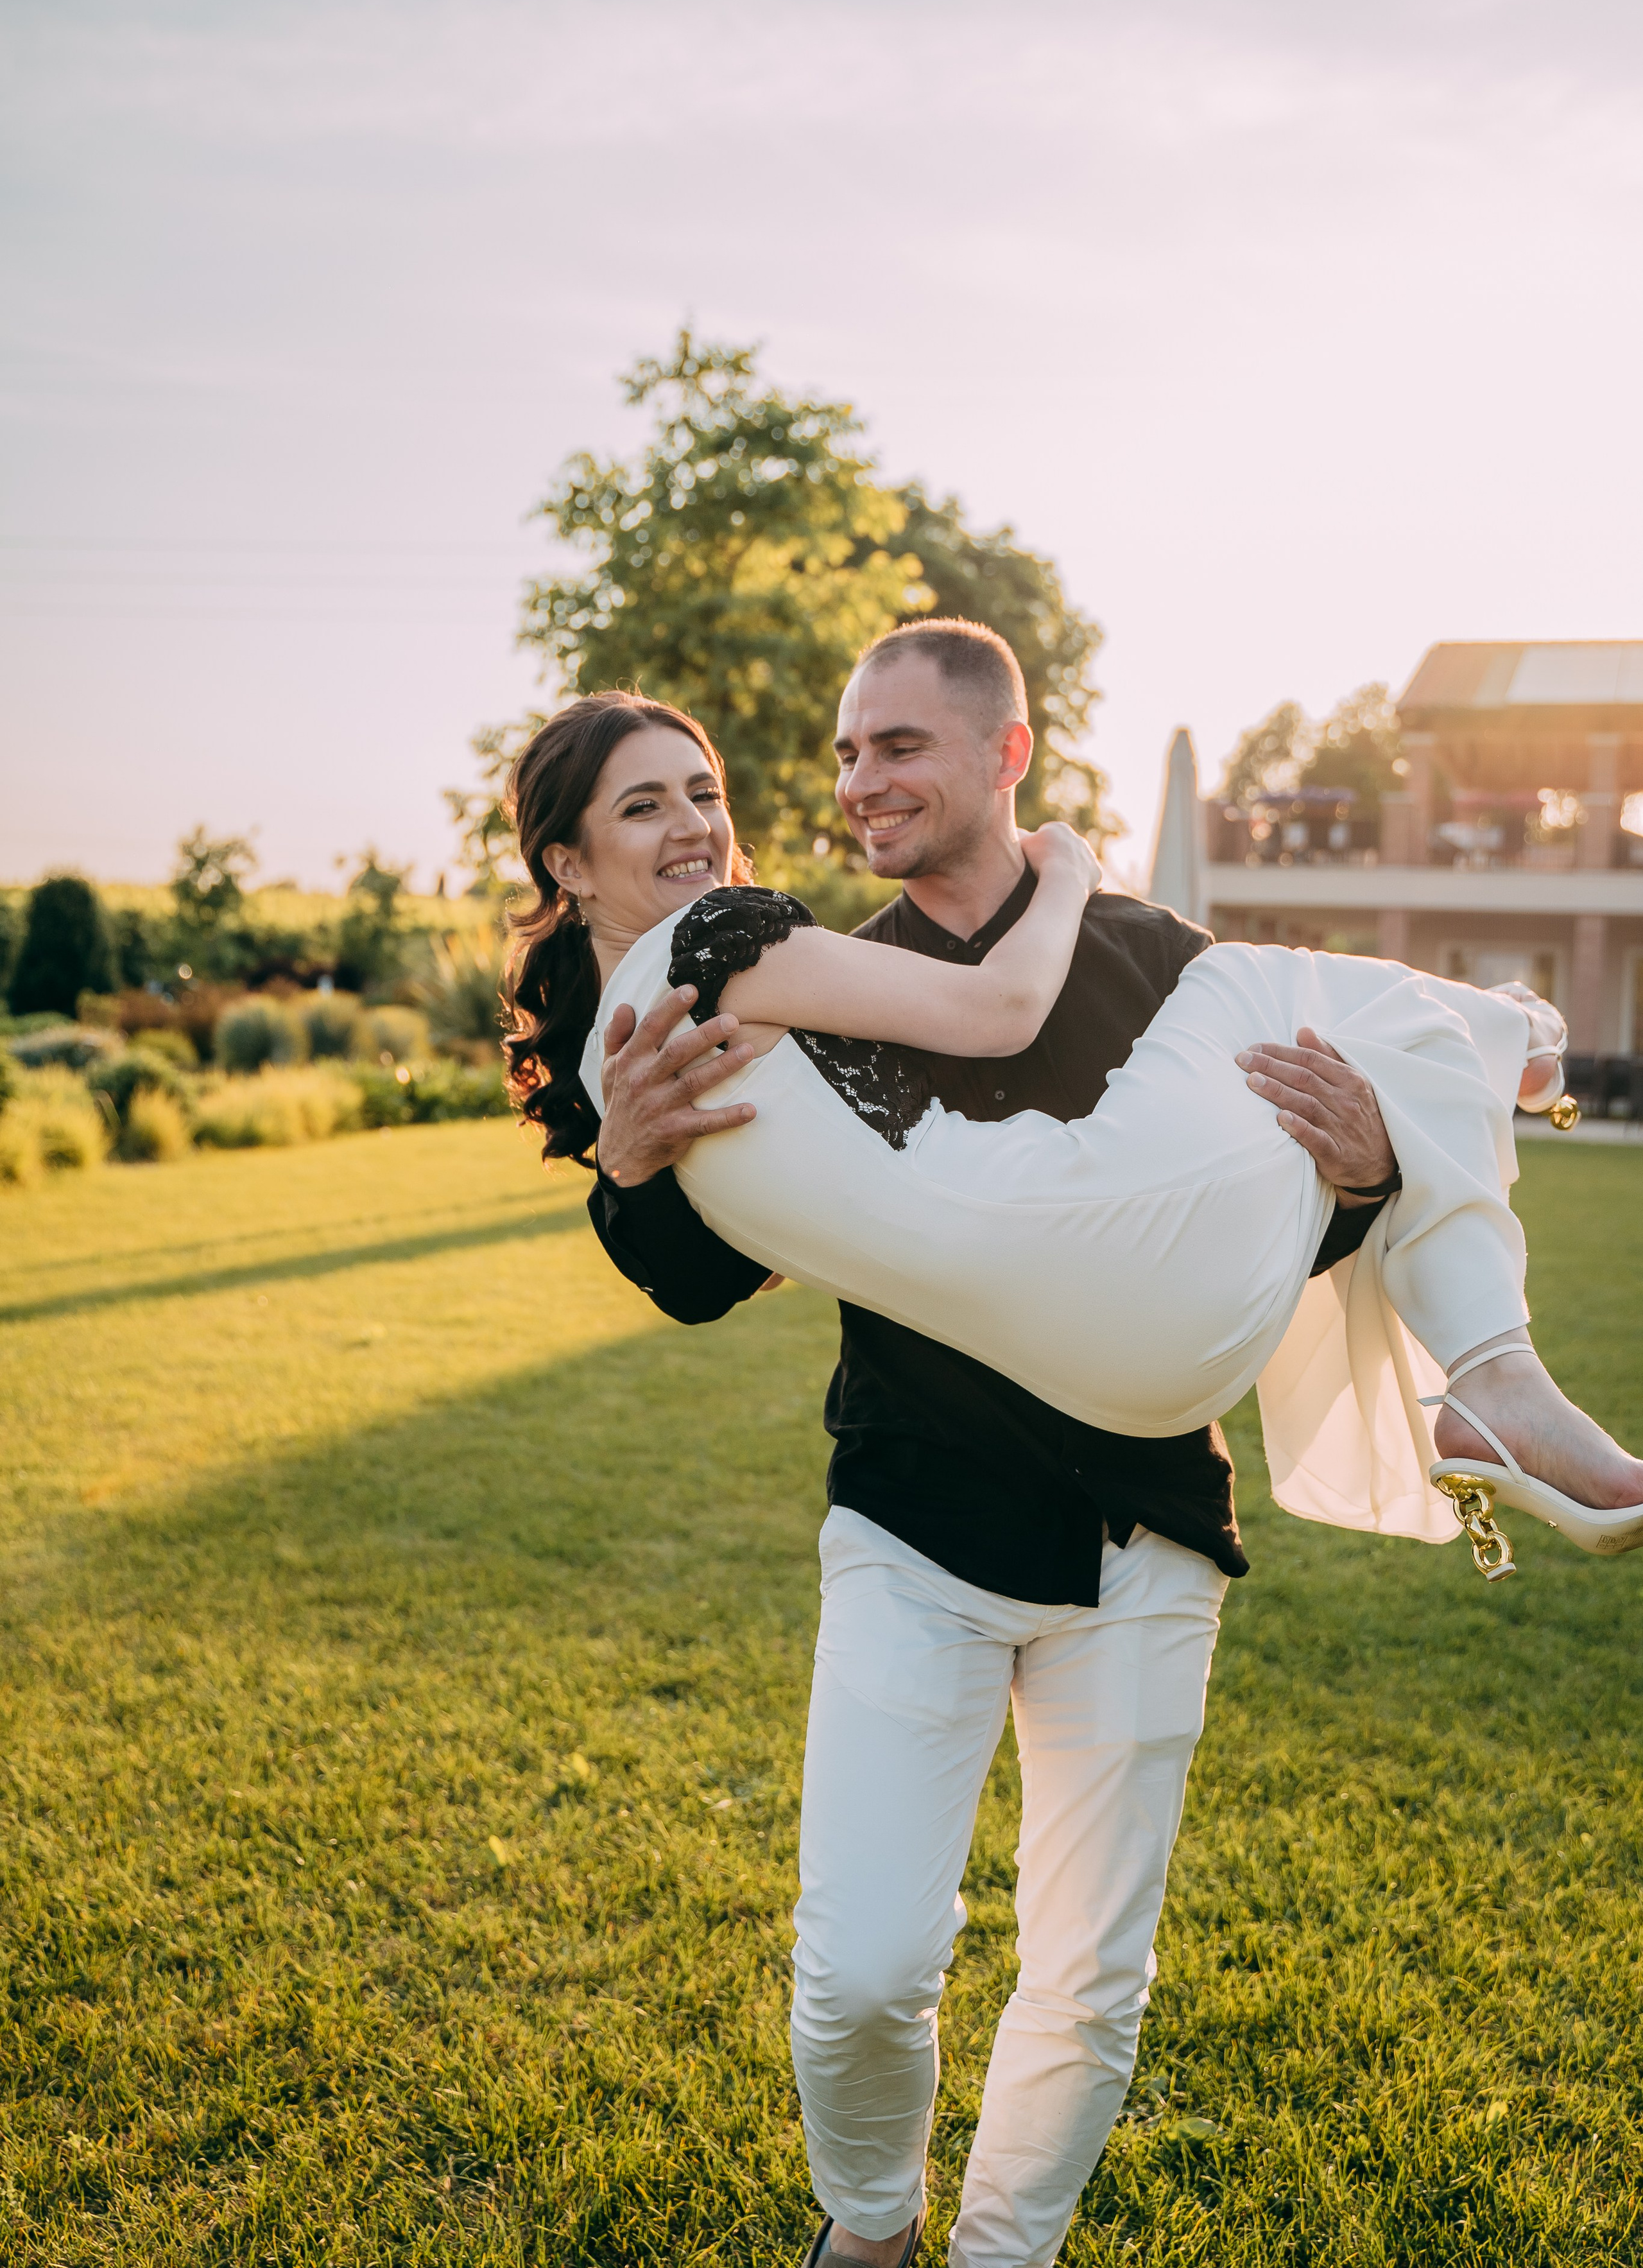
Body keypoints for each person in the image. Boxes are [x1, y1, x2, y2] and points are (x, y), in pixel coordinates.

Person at [503, 637, 1639, 2268]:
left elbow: (1242, 1235)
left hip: (1145, 1518)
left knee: (1090, 1977)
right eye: (843, 758)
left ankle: (1002, 2255)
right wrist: (623, 1162)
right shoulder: (820, 964)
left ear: (1003, 754)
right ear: (574, 850)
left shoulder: (1148, 955)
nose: (858, 785)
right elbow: (708, 1270)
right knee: (863, 1967)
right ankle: (868, 2229)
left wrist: (1375, 1169)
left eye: (896, 747)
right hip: (917, 1517)